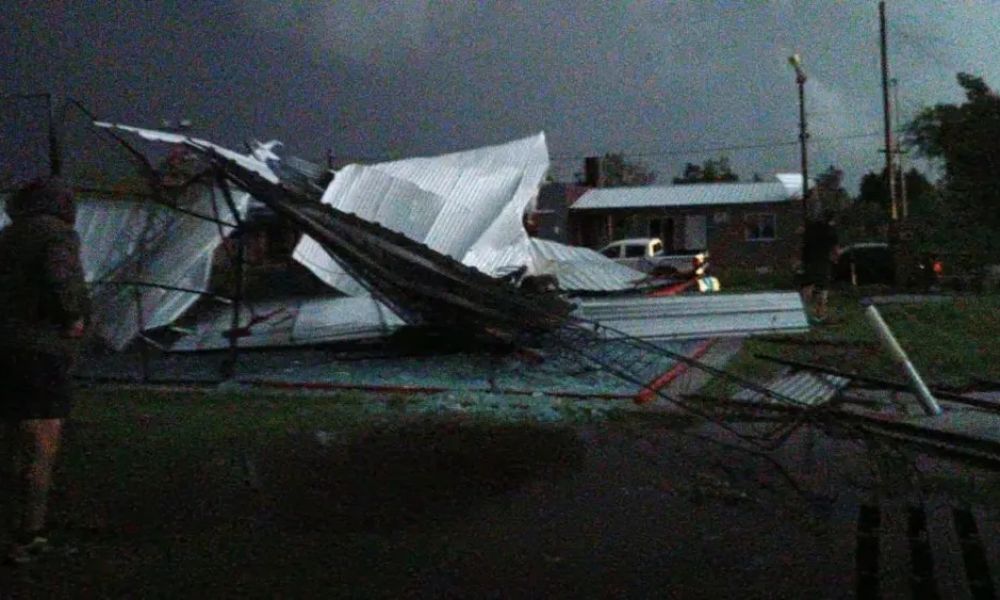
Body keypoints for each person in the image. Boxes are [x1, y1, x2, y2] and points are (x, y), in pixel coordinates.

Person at [0, 178, 90, 565]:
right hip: (40, 351)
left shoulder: (9, 236)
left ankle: (12, 526)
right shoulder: (56, 235)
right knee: (41, 444)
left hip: (6, 347)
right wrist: (72, 315)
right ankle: (29, 534)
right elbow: (60, 277)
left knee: (13, 440)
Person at [800, 210, 840, 324]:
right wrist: (836, 258)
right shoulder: (830, 231)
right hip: (823, 262)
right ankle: (820, 313)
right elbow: (836, 250)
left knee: (808, 287)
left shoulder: (811, 229)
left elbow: (803, 242)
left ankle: (804, 312)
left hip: (808, 262)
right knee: (822, 288)